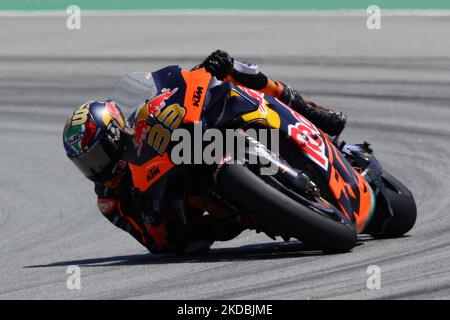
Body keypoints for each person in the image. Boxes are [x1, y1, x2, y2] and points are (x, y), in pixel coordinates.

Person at [62, 50, 347, 255]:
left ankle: (313, 113)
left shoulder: (138, 124)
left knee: (231, 69)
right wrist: (150, 216)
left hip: (197, 147)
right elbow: (156, 244)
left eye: (97, 157)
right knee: (192, 244)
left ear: (115, 133)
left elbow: (172, 93)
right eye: (86, 164)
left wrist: (203, 72)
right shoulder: (110, 200)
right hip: (200, 220)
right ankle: (273, 208)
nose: (96, 169)